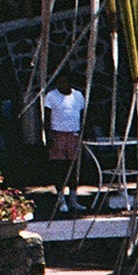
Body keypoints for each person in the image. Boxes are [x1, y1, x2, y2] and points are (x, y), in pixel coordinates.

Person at [41, 81, 88, 210]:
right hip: (57, 134)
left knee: (73, 167)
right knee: (59, 167)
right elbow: (46, 116)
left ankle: (73, 199)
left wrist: (83, 133)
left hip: (74, 133)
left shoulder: (78, 96)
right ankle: (61, 200)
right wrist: (48, 135)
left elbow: (83, 115)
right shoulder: (51, 96)